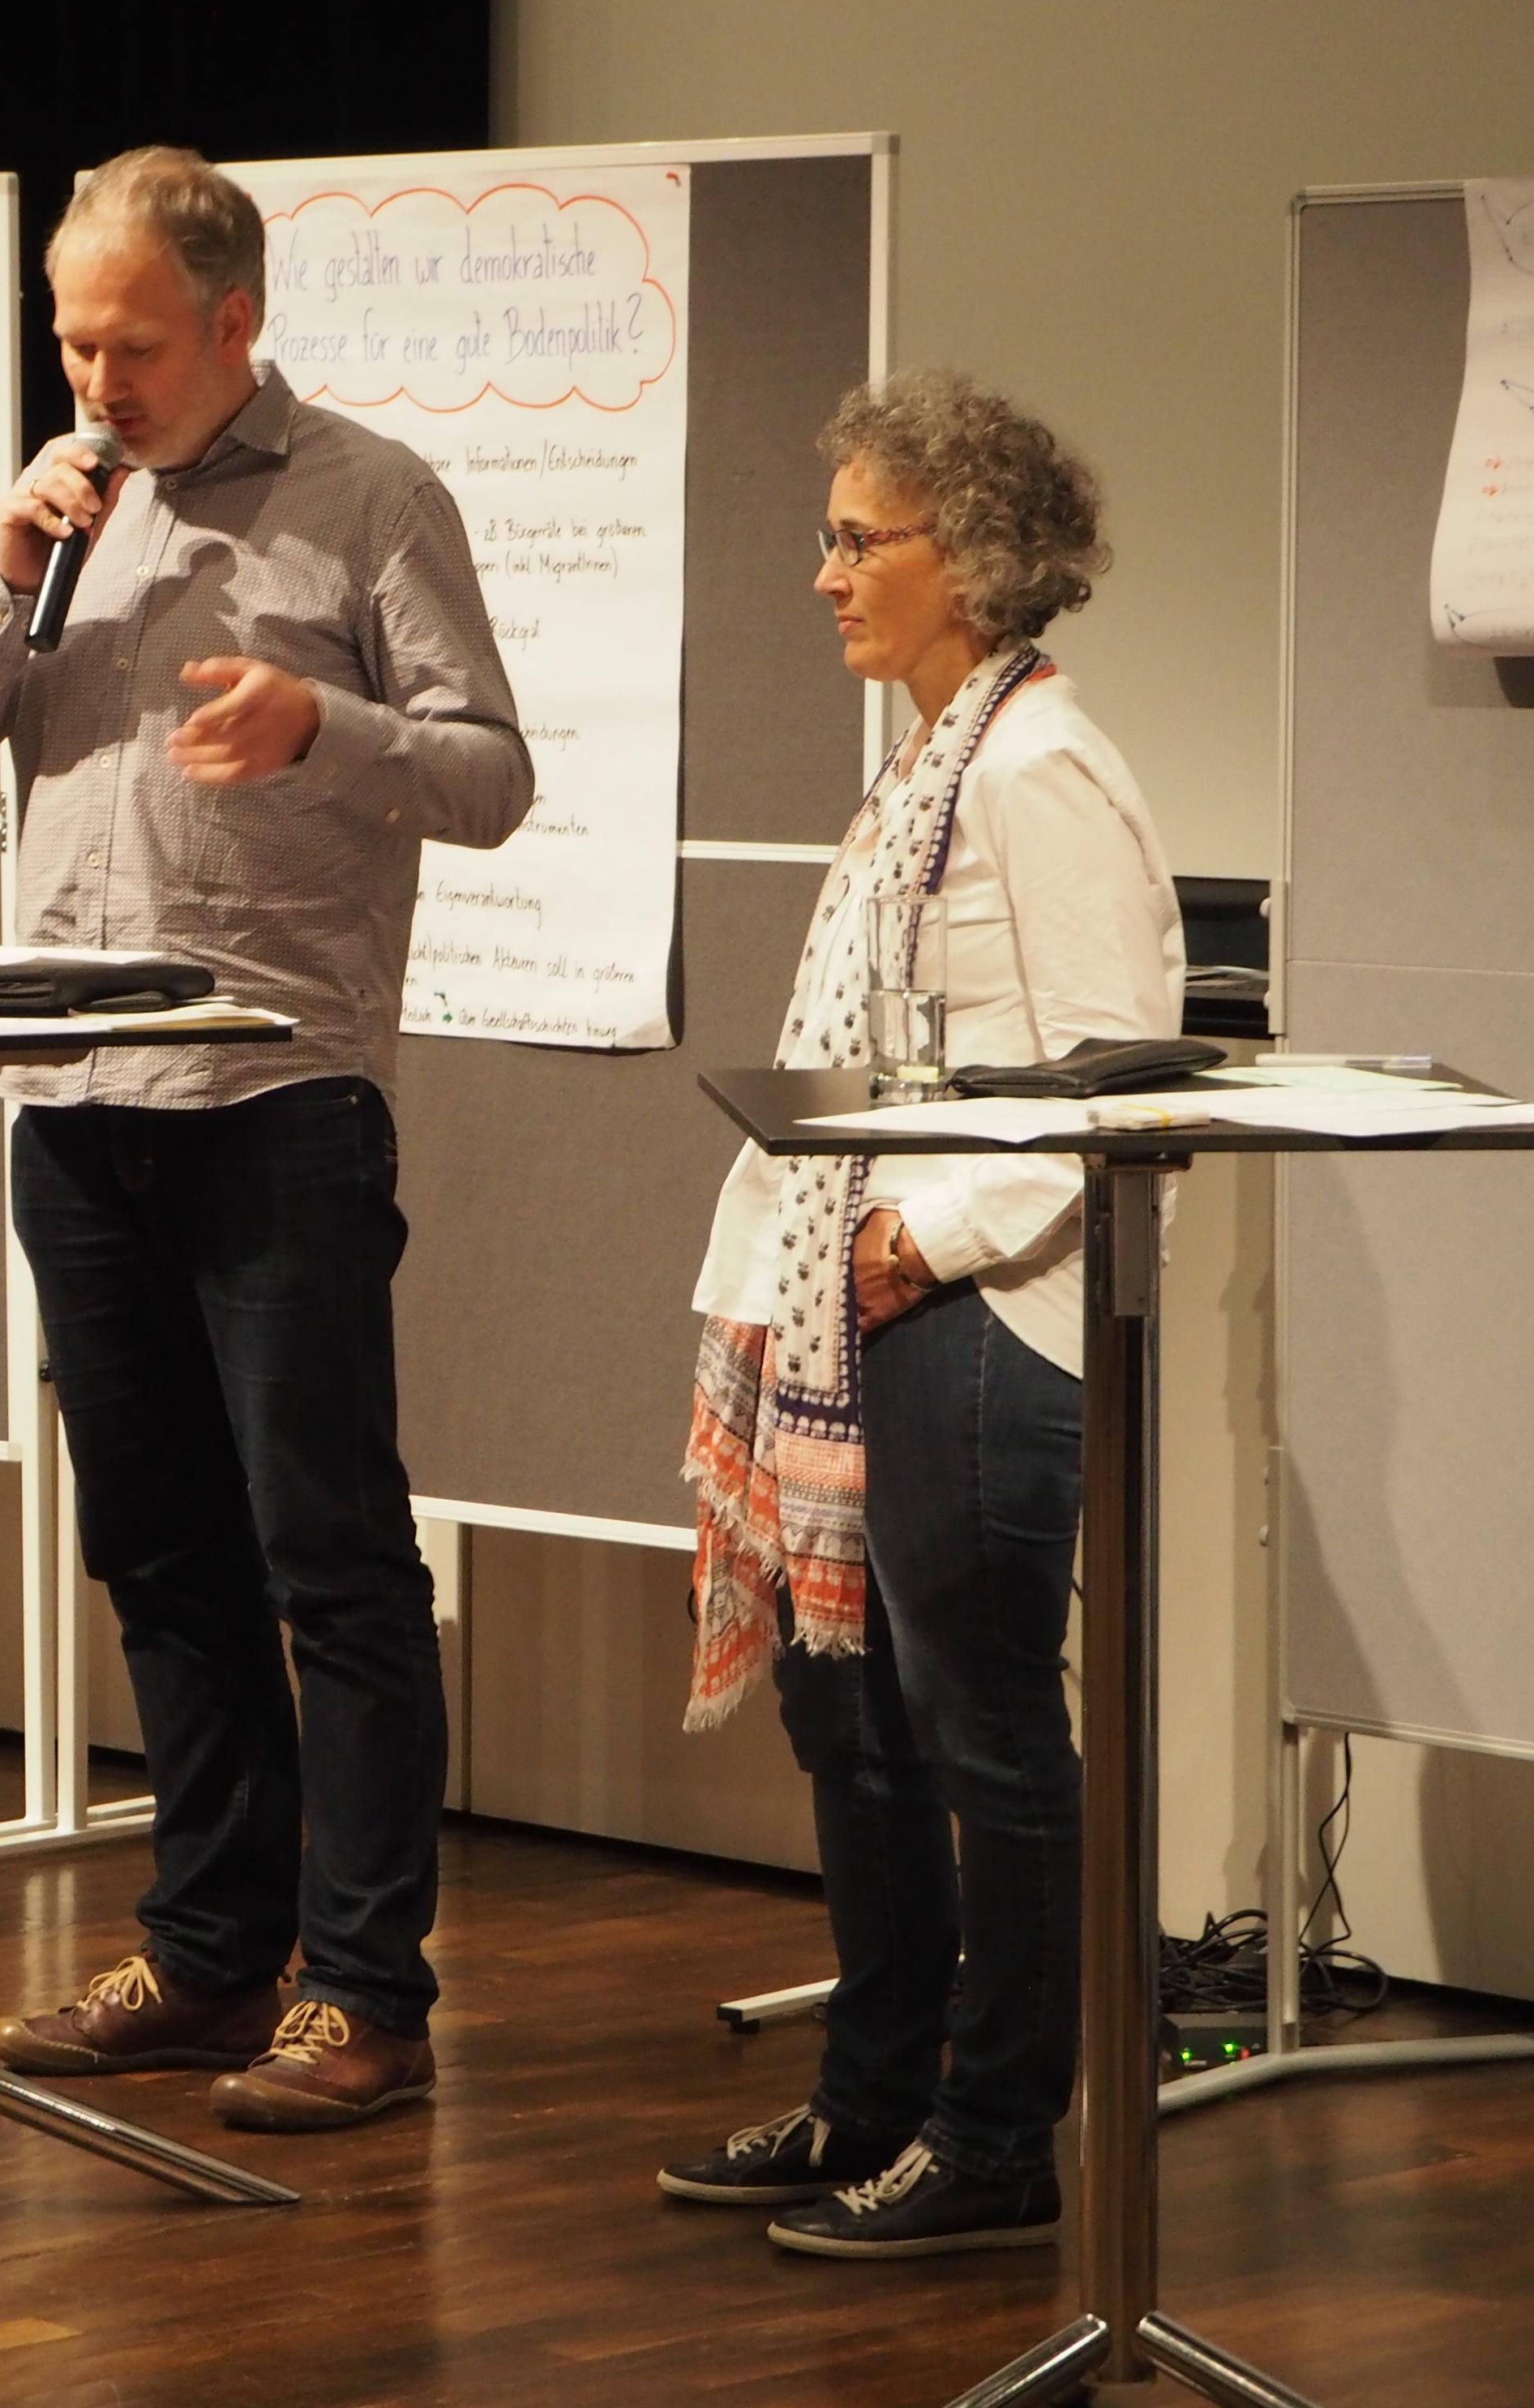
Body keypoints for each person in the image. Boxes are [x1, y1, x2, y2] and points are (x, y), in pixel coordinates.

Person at [0, 148, 532, 2131]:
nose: (96, 380)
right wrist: (0, 562)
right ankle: (209, 1946)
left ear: (233, 323)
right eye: (72, 343)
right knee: (155, 1547)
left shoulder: (369, 497)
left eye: (132, 345)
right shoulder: (59, 510)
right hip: (69, 1107)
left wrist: (323, 727)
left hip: (271, 1102)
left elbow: (490, 775)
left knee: (327, 1555)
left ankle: (366, 1991)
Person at [662, 370, 1180, 2257]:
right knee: (852, 1726)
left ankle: (995, 2136)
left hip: (974, 1312)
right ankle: (869, 2095)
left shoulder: (1037, 768)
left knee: (981, 1734)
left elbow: (1106, 1078)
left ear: (964, 555)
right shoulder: (924, 759)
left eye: (852, 539)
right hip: (855, 1307)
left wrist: (919, 1242)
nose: (821, 574)